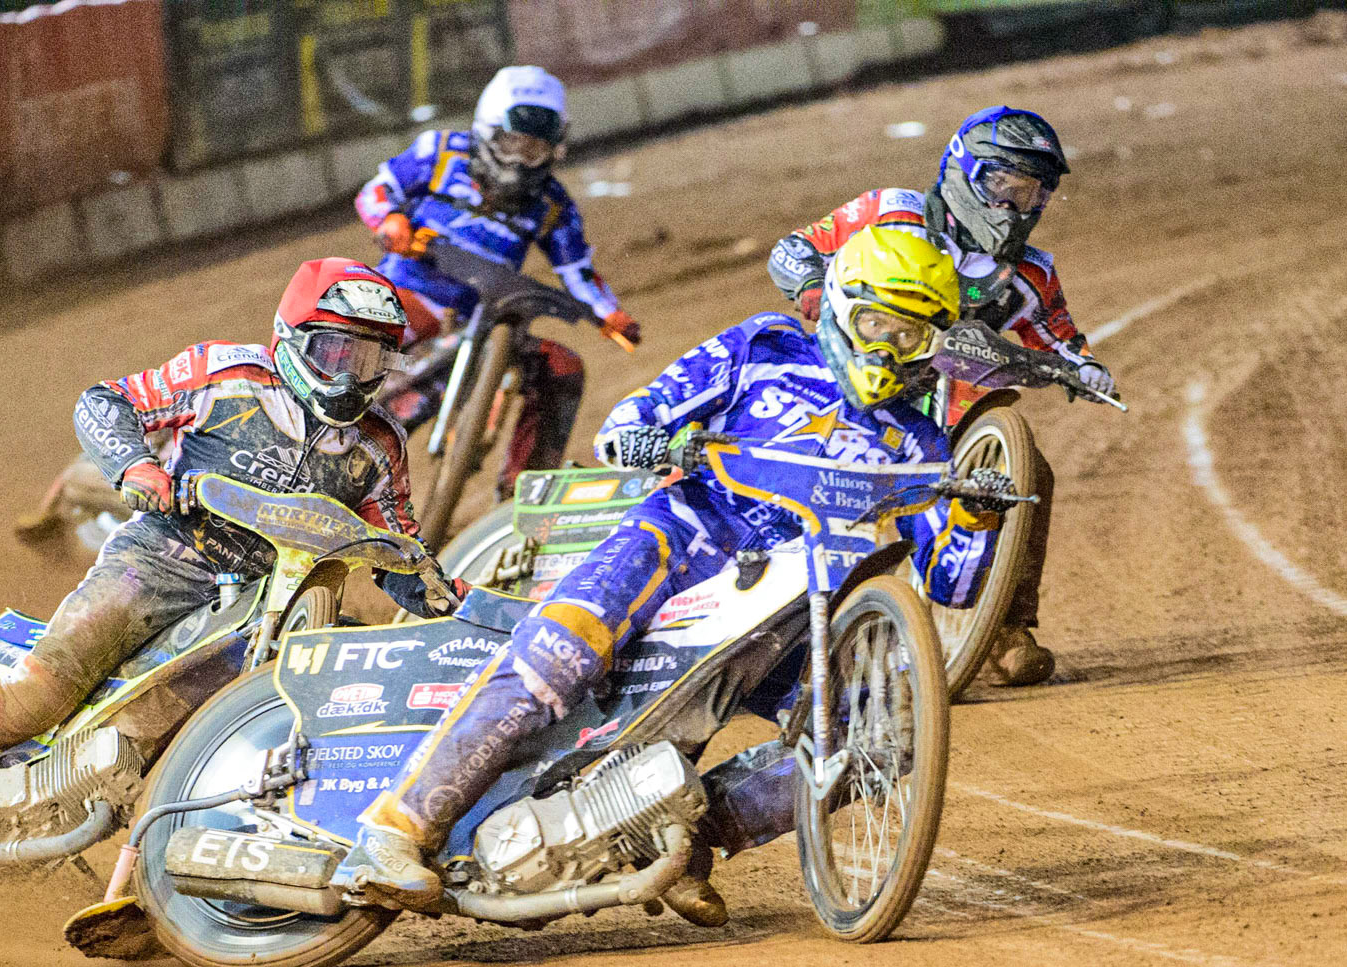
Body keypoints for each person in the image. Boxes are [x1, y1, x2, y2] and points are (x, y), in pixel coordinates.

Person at [336, 227, 1006, 913]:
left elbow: (952, 584)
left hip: (793, 617)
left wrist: (978, 516)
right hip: (681, 542)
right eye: (878, 324)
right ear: (840, 304)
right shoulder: (764, 348)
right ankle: (395, 830)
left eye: (912, 335)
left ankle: (682, 840)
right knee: (556, 657)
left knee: (888, 733)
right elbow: (629, 422)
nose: (889, 348)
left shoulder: (923, 445)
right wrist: (654, 439)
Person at [0, 258, 461, 846]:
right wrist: (135, 468)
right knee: (43, 694)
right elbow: (106, 401)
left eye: (371, 359)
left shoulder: (380, 445)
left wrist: (452, 603)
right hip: (158, 562)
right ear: (291, 339)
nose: (351, 375)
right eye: (336, 352)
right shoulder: (227, 373)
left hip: (267, 609)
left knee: (172, 741)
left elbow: (397, 545)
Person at [767, 105, 1116, 686]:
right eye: (1001, 185)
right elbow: (793, 249)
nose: (1012, 206)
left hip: (933, 393)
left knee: (1032, 476)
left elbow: (1058, 336)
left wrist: (1086, 367)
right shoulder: (890, 211)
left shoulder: (1030, 273)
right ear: (962, 170)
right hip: (847, 364)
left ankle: (1006, 626)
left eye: (1029, 194)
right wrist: (808, 286)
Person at [355, 65, 641, 500]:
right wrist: (390, 220)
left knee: (562, 367)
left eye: (535, 150)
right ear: (486, 131)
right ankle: (312, 436)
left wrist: (608, 312)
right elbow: (377, 190)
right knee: (352, 349)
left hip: (484, 318)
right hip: (409, 290)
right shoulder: (440, 152)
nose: (521, 161)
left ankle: (523, 498)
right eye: (512, 145)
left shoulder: (551, 204)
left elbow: (577, 270)